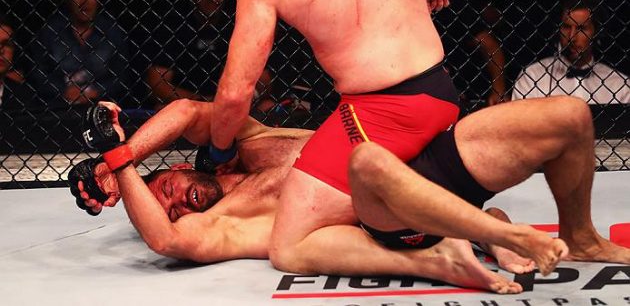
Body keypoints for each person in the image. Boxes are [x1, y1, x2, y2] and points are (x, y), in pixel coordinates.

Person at [207, 0, 489, 277]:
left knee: (289, 245)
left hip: (383, 115)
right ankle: (451, 219)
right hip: (442, 94)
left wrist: (220, 153)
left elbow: (237, 92)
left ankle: (434, 259)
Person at [73, 98, 570, 293]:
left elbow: (186, 111)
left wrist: (117, 163)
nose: (179, 204)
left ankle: (484, 220)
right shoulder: (225, 223)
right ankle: (465, 231)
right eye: (173, 211)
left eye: (167, 190)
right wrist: (118, 163)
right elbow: (164, 239)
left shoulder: (250, 139)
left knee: (556, 123)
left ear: (179, 164)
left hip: (424, 152)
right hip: (396, 212)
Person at [349, 95, 630, 274]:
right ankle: (501, 236)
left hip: (432, 158)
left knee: (572, 115)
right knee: (368, 159)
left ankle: (580, 240)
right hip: (384, 206)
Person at [144, 0, 275, 112]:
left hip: (233, 104)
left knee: (267, 106)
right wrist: (201, 102)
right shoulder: (173, 26)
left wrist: (241, 98)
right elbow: (157, 84)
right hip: (188, 104)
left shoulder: (240, 24)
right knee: (163, 109)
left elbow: (264, 79)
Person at [30, 0, 129, 106]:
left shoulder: (113, 32)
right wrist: (63, 90)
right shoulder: (50, 32)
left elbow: (122, 77)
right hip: (58, 107)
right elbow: (38, 73)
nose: (85, 1)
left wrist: (96, 91)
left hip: (101, 106)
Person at [512, 0, 630, 103]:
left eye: (581, 28)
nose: (572, 37)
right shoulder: (532, 77)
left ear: (597, 33)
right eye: (567, 27)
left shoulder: (619, 84)